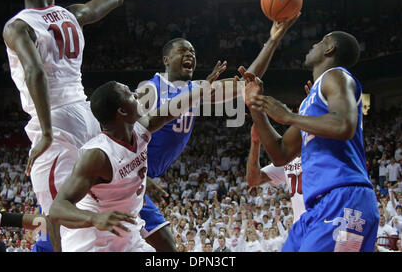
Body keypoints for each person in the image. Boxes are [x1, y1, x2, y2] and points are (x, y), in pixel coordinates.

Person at [0, 0, 167, 250]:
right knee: (96, 191)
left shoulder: (16, 27)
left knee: (55, 210)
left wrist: (45, 133)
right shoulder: (71, 14)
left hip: (56, 119)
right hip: (86, 111)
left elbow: (35, 72)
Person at [137, 16, 300, 251]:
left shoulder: (195, 90)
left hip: (141, 178)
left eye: (192, 52)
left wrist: (272, 41)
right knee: (165, 246)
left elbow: (246, 83)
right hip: (130, 177)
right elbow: (120, 131)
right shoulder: (151, 89)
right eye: (182, 51)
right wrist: (137, 174)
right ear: (166, 59)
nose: (190, 55)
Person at [243, 30, 380, 252]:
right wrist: (255, 106)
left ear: (329, 48)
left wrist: (288, 116)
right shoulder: (310, 103)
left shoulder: (337, 76)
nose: (312, 45)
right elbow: (281, 153)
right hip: (317, 209)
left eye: (320, 42)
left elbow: (344, 125)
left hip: (345, 198)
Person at [48, 80, 212, 251]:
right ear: (122, 111)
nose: (136, 94)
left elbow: (168, 111)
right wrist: (95, 218)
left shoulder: (140, 129)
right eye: (128, 93)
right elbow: (57, 209)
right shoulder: (97, 155)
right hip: (92, 242)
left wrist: (200, 90)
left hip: (128, 237)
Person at [247, 124, 305, 224]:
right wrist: (255, 143)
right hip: (301, 226)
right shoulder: (288, 161)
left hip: (323, 223)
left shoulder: (321, 157)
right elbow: (254, 180)